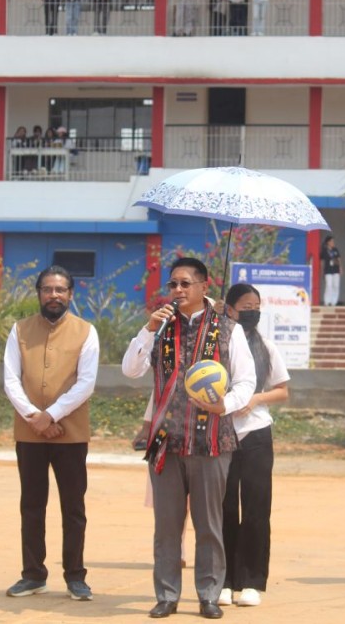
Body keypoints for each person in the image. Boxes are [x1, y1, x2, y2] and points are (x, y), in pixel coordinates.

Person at [121, 257, 256, 619]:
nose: (177, 291)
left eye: (185, 284)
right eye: (173, 285)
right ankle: (166, 595)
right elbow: (131, 369)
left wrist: (224, 405)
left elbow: (246, 381)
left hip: (212, 442)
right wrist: (147, 330)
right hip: (166, 441)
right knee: (166, 525)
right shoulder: (160, 328)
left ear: (203, 287)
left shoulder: (228, 329)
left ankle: (209, 594)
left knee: (209, 524)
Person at [2, 266, 99, 601]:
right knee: (31, 505)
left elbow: (86, 383)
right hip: (29, 433)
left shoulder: (86, 332)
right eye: (47, 289)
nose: (53, 295)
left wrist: (52, 415)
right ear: (39, 293)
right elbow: (11, 379)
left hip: (70, 433)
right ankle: (33, 575)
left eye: (60, 290)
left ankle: (75, 576)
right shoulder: (20, 330)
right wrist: (35, 417)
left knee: (73, 507)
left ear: (71, 294)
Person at [218, 284, 290, 609]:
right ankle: (224, 579)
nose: (253, 311)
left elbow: (282, 390)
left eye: (256, 305)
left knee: (257, 507)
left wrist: (255, 398)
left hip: (257, 433)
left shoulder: (266, 346)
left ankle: (251, 581)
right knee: (224, 507)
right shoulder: (215, 346)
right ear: (229, 309)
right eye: (246, 305)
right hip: (221, 433)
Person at [321, 235, 341, 306]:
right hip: (327, 270)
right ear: (328, 242)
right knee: (329, 285)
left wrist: (340, 268)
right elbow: (322, 261)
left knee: (336, 285)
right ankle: (327, 301)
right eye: (332, 241)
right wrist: (322, 270)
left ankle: (334, 302)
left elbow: (339, 259)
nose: (333, 242)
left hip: (336, 269)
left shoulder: (335, 250)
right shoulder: (324, 250)